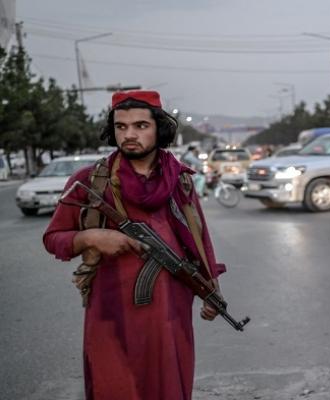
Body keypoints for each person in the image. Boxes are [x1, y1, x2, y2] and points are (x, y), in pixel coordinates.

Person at [43, 90, 226, 399]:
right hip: (112, 315)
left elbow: (199, 239)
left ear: (159, 128)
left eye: (141, 126)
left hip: (171, 313)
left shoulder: (179, 180)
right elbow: (53, 238)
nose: (129, 134)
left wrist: (212, 288)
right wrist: (91, 238)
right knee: (115, 386)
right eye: (121, 126)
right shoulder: (90, 180)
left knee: (169, 386)